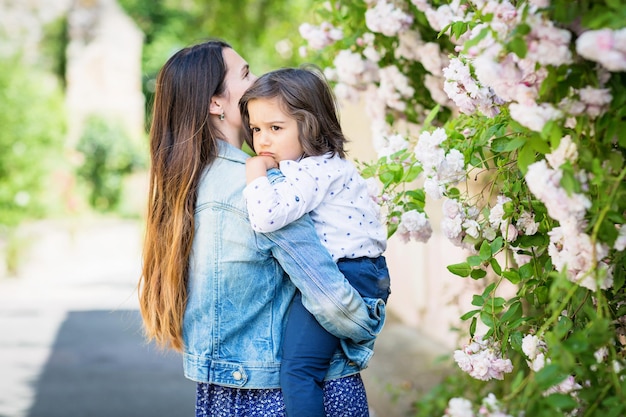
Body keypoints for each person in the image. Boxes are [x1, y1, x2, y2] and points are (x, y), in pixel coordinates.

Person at [138, 39, 385, 417]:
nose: (257, 82)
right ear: (216, 103)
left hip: (222, 395)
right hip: (284, 393)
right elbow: (331, 299)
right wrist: (366, 323)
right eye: (246, 74)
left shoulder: (191, 183)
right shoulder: (260, 188)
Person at [240, 67, 391, 417]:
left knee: (298, 372)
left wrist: (255, 174)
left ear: (311, 125)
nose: (262, 141)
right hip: (362, 271)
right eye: (256, 129)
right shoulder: (326, 165)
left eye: (275, 128)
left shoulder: (313, 172)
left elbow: (266, 218)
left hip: (345, 276)